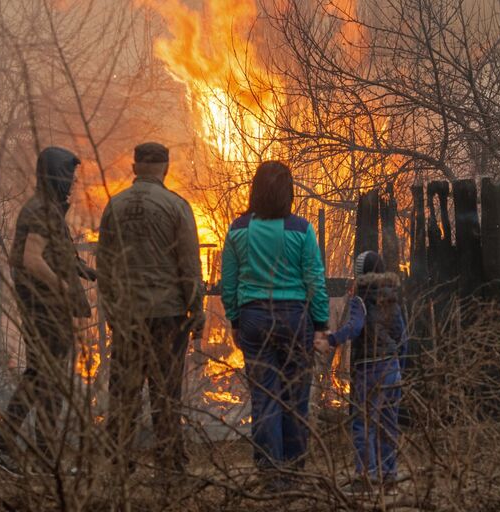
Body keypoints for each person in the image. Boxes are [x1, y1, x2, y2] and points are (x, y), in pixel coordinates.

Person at [97, 142, 204, 474]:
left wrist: (114, 311)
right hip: (167, 315)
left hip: (128, 314)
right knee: (166, 391)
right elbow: (188, 263)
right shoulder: (176, 206)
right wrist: (196, 307)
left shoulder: (113, 207)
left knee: (124, 392)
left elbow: (104, 265)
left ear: (134, 167)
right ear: (166, 167)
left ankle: (118, 462)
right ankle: (169, 464)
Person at [221, 160, 329, 484]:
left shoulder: (238, 229)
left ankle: (271, 474)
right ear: (289, 192)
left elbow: (229, 281)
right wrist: (321, 323)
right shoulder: (302, 229)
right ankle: (295, 472)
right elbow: (315, 280)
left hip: (254, 318)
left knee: (264, 397)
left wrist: (235, 319)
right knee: (295, 398)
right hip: (295, 319)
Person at [0, 147, 94, 476]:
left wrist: (81, 269)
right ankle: (6, 448)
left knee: (46, 379)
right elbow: (31, 259)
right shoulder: (41, 210)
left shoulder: (47, 209)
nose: (72, 183)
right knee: (40, 376)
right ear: (55, 176)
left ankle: (45, 457)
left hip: (47, 306)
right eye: (69, 176)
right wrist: (62, 287)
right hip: (44, 307)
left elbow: (50, 252)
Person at [314, 251, 406, 495]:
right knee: (388, 426)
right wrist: (400, 368)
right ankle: (389, 477)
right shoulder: (391, 299)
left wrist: (331, 339)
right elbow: (401, 336)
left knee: (363, 424)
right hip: (391, 369)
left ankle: (366, 477)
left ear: (360, 275)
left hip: (369, 370)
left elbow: (354, 328)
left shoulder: (361, 299)